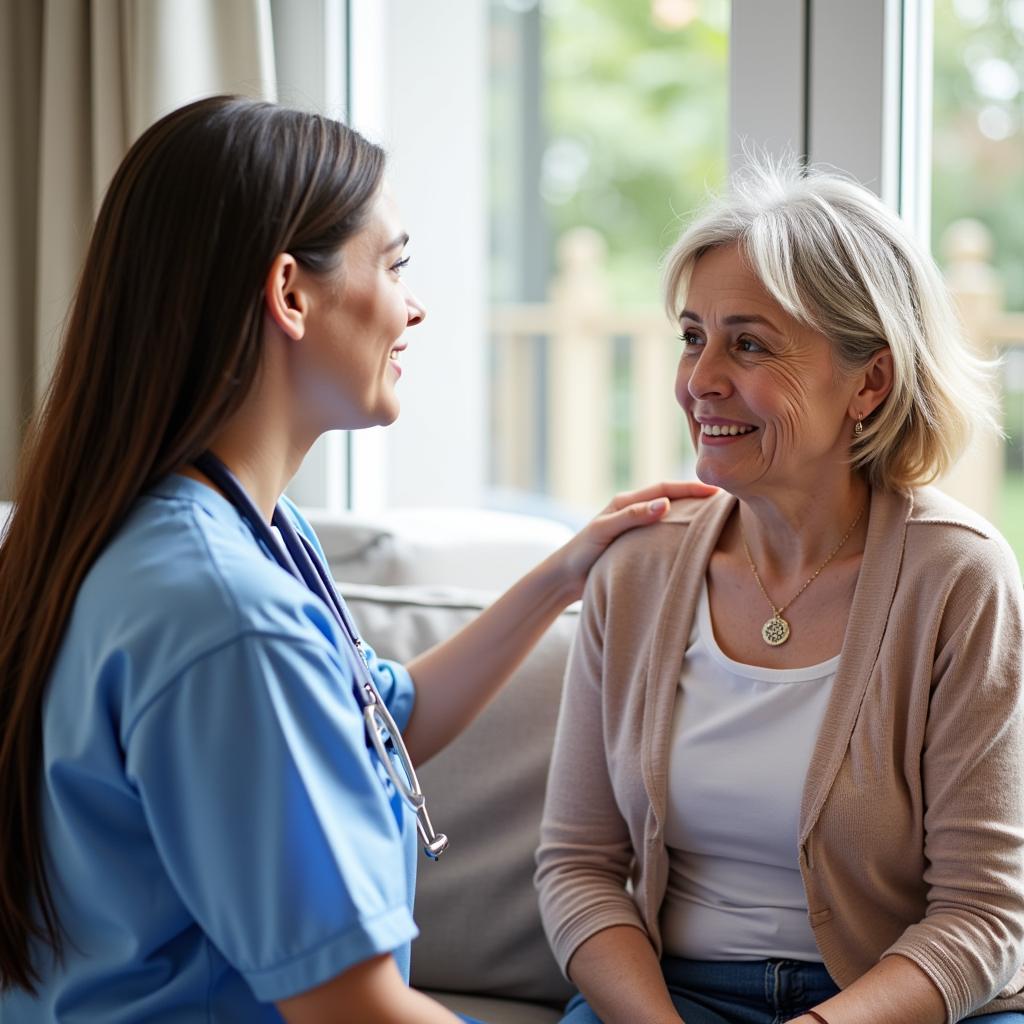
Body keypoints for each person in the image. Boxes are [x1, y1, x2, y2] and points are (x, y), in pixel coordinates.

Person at [0, 95, 715, 1023]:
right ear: (291, 292)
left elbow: (385, 719)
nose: (414, 307)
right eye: (396, 263)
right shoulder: (227, 617)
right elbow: (354, 1008)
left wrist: (561, 573)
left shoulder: (187, 528)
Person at [535, 161, 1024, 1024]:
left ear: (868, 383)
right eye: (694, 337)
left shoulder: (959, 578)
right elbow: (576, 864)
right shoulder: (638, 568)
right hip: (675, 998)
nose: (701, 380)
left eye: (749, 344)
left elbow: (984, 916)